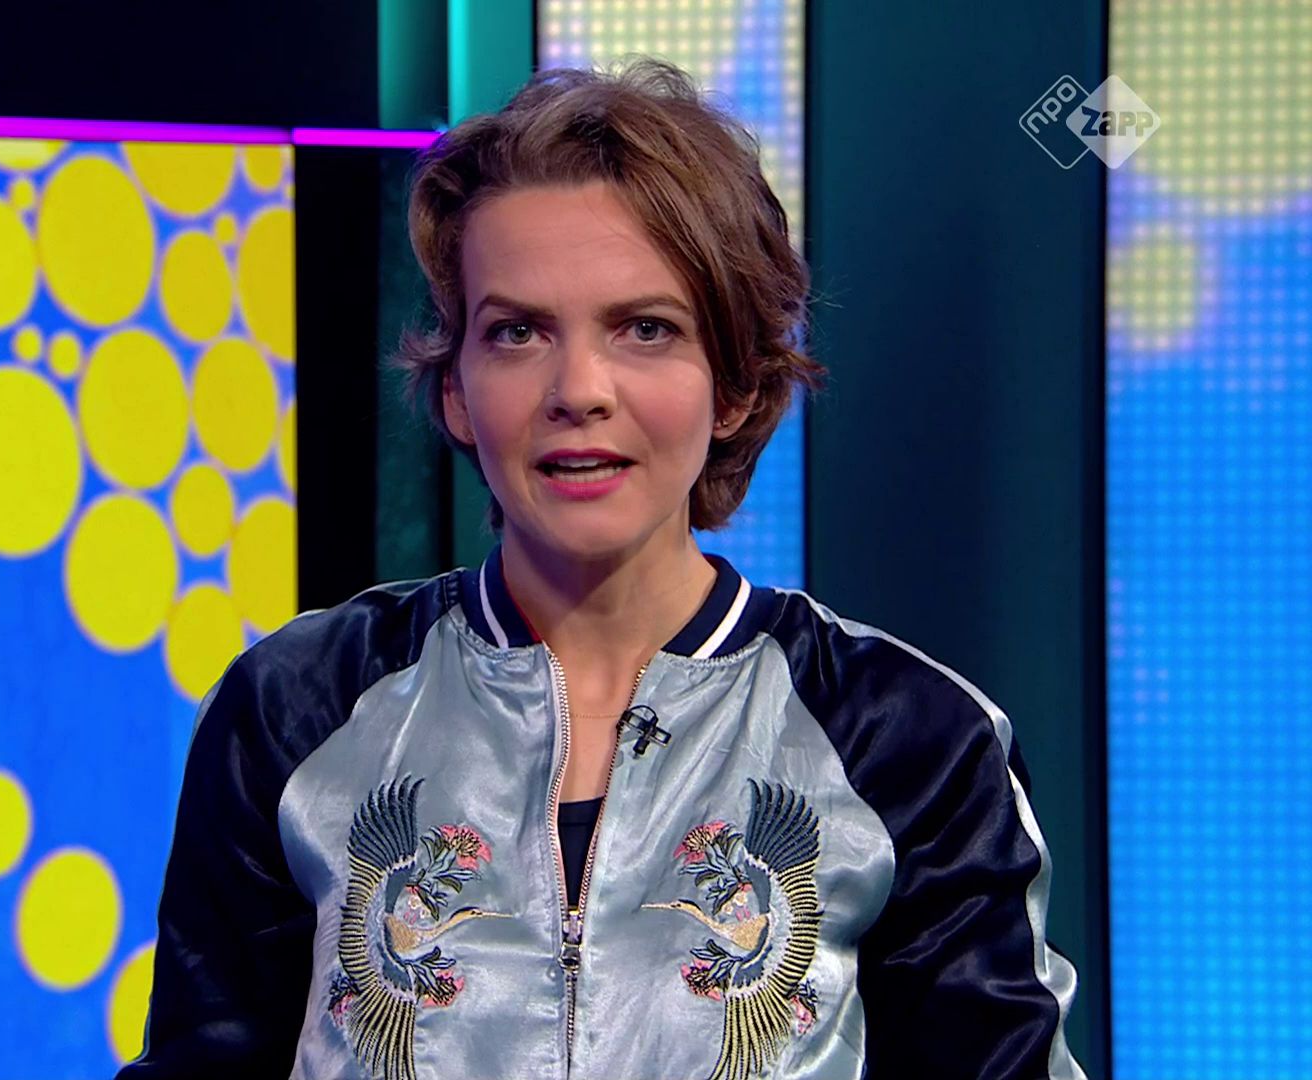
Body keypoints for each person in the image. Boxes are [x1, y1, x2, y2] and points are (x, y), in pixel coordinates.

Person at [119, 59, 1084, 1080]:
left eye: (645, 329)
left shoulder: (905, 734)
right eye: (517, 332)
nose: (578, 389)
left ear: (737, 386)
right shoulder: (297, 705)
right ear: (456, 392)